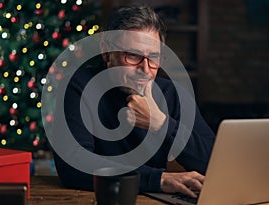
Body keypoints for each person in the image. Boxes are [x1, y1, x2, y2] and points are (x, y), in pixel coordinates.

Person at [53, 5, 215, 198]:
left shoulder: (172, 94)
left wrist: (161, 124)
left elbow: (214, 163)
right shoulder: (77, 87)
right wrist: (159, 179)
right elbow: (74, 165)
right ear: (106, 52)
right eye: (133, 56)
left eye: (153, 58)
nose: (145, 69)